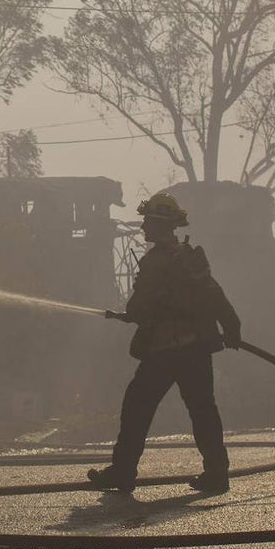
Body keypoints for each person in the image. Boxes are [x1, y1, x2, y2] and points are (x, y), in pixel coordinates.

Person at [88, 192, 242, 495]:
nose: (144, 227)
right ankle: (217, 473)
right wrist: (232, 327)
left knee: (136, 407)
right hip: (195, 349)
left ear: (160, 225)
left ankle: (122, 471)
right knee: (202, 410)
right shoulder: (190, 256)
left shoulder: (155, 262)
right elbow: (215, 294)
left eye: (148, 222)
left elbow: (139, 308)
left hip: (164, 352)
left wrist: (130, 315)